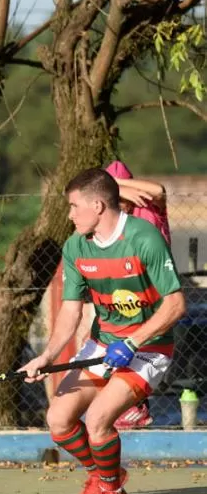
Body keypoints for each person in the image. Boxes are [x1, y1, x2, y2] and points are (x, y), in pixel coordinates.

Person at [19, 168, 185, 494]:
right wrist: (46, 356)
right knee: (59, 420)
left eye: (73, 206)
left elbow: (175, 305)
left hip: (149, 349)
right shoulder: (76, 246)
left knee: (97, 420)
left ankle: (111, 492)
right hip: (103, 344)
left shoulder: (144, 238)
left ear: (97, 205)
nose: (69, 214)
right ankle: (105, 475)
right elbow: (70, 310)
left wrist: (134, 341)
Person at [106, 160, 171, 429]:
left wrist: (119, 186)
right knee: (114, 346)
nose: (118, 205)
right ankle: (129, 406)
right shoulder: (107, 218)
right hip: (120, 293)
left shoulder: (148, 210)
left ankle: (137, 406)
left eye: (121, 199)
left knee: (139, 348)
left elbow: (158, 190)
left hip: (153, 293)